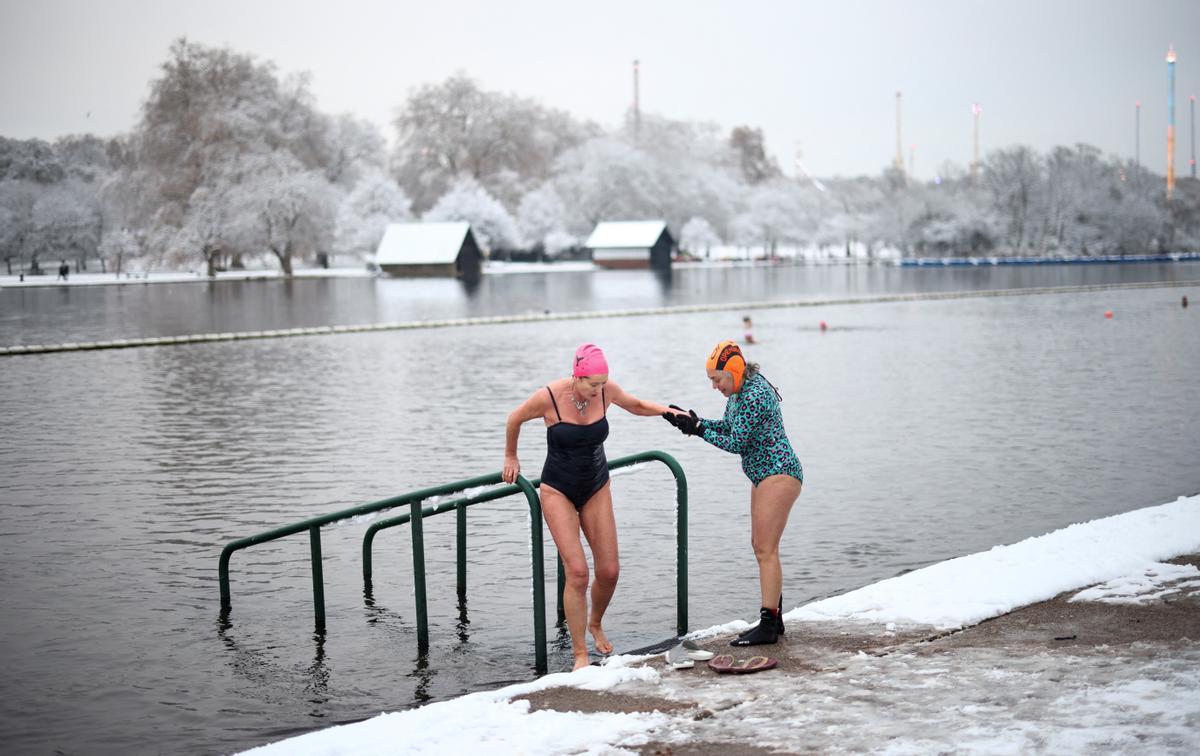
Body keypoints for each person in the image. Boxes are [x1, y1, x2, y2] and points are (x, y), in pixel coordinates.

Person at [503, 343, 679, 670]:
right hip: (558, 489)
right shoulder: (550, 396)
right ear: (577, 376)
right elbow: (514, 419)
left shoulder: (606, 390)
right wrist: (511, 456)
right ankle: (580, 653)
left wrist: (670, 412)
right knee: (578, 573)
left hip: (597, 484)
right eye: (592, 384)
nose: (599, 390)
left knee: (610, 571)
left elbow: (637, 405)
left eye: (602, 383)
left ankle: (595, 621)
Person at [663, 340, 803, 646]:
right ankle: (774, 620)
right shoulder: (740, 393)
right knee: (762, 547)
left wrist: (699, 430)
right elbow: (728, 427)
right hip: (765, 474)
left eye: (717, 379)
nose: (715, 387)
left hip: (778, 471)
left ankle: (768, 625)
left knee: (766, 549)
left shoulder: (754, 394)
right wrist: (693, 422)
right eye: (711, 380)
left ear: (734, 371)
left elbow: (736, 442)